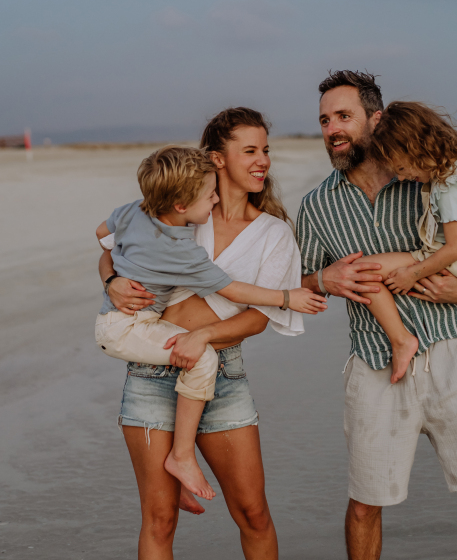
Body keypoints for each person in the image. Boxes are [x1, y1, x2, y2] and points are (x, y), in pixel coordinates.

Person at [297, 70, 457, 560]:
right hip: (372, 362)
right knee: (365, 501)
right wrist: (324, 278)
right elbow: (295, 283)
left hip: (453, 354)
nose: (332, 130)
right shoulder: (317, 206)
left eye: (344, 117)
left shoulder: (426, 177)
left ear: (375, 119)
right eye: (324, 120)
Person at [98, 107, 307, 560]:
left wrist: (204, 336)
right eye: (250, 151)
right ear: (218, 158)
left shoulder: (274, 234)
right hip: (152, 375)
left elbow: (258, 317)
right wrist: (109, 282)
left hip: (220, 373)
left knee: (252, 512)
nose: (263, 161)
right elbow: (113, 250)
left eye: (265, 150)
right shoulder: (182, 208)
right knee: (160, 518)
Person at [95, 145, 325, 500]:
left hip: (123, 322)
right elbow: (232, 290)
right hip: (129, 328)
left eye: (265, 149)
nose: (215, 199)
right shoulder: (181, 247)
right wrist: (286, 297)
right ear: (181, 205)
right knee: (203, 359)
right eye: (209, 195)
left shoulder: (134, 212)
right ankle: (182, 456)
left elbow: (102, 237)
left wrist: (118, 272)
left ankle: (179, 469)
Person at [356, 100, 457, 381]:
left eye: (403, 169)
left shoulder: (449, 186)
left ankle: (401, 340)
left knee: (361, 272)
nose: (403, 177)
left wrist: (411, 274)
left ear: (416, 148)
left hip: (455, 264)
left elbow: (455, 247)